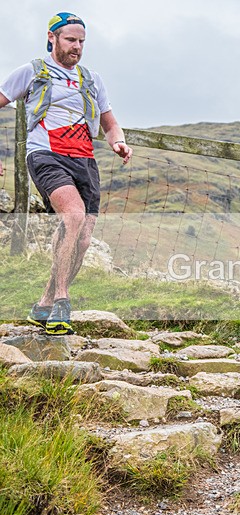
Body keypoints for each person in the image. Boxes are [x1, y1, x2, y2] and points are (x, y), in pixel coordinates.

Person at [0, 12, 132, 335]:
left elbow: (110, 123)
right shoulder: (31, 72)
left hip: (85, 161)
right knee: (72, 216)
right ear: (52, 38)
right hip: (46, 155)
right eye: (71, 40)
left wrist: (119, 142)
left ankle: (44, 303)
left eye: (82, 42)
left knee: (83, 241)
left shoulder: (92, 79)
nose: (77, 47)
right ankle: (62, 299)